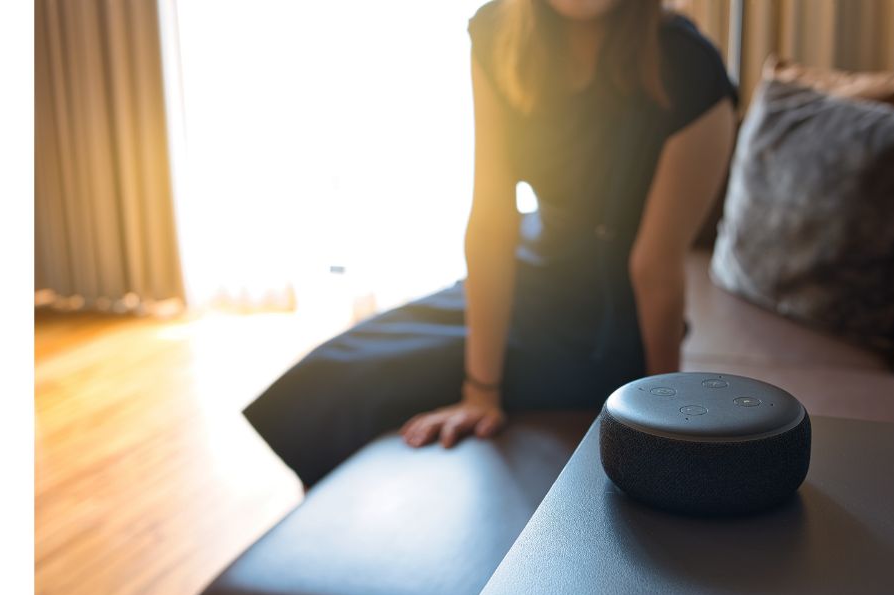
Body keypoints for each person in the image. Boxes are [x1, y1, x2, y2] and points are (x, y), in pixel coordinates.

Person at [243, 0, 737, 488]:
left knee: (372, 388)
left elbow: (654, 268)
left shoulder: (690, 66)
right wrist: (480, 390)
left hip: (606, 316)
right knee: (330, 379)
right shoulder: (498, 29)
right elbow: (492, 217)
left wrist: (659, 418)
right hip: (533, 263)